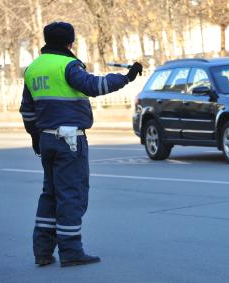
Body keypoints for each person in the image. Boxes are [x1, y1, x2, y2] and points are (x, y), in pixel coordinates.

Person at [19, 22, 142, 267]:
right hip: (69, 139)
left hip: (47, 139)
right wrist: (126, 77)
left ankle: (42, 251)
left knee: (50, 194)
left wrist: (36, 138)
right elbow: (93, 86)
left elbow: (27, 111)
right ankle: (71, 250)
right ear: (70, 42)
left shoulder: (33, 69)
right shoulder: (68, 65)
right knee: (71, 194)